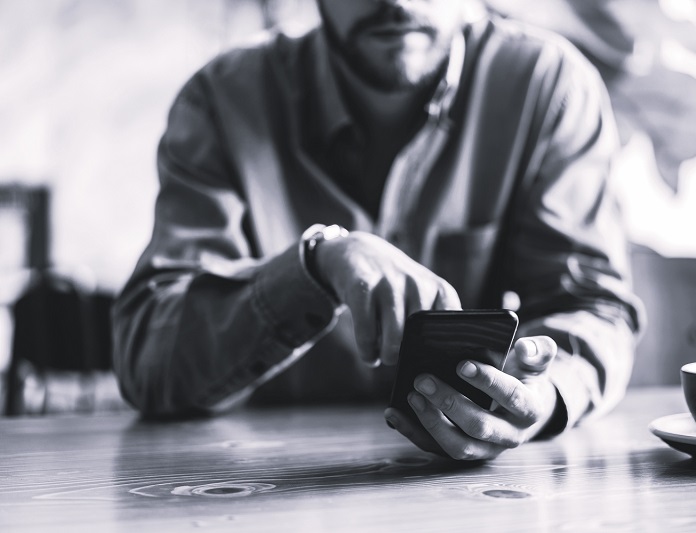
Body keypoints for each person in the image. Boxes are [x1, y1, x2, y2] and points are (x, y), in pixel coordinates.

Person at [112, 0, 642, 461]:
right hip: (260, 486)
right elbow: (147, 363)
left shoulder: (546, 87)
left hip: (478, 497)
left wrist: (543, 395)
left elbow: (596, 310)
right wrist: (314, 267)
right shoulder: (225, 101)